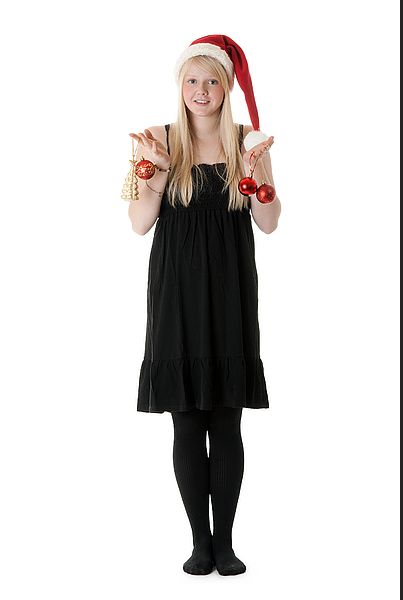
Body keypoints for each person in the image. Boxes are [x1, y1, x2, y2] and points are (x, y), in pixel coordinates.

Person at [128, 34, 281, 577]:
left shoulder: (247, 143)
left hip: (231, 293)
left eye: (211, 80)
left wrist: (262, 177)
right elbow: (140, 222)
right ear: (180, 85)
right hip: (176, 296)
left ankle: (226, 542)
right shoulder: (156, 140)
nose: (201, 90)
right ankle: (198, 542)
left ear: (226, 87)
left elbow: (268, 221)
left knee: (227, 421)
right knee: (187, 423)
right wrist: (156, 169)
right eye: (192, 80)